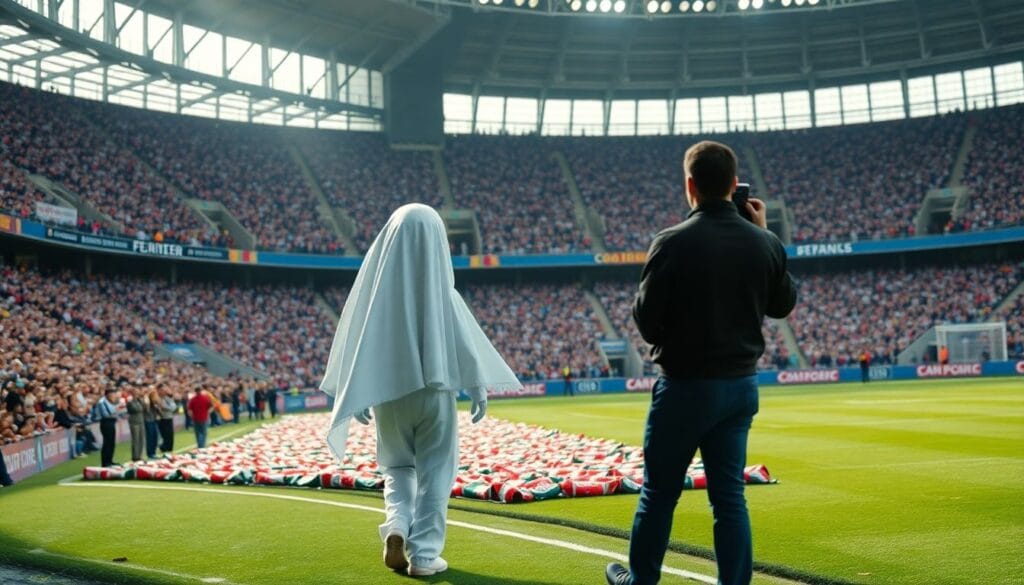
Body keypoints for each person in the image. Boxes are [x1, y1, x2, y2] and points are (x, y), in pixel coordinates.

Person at [605, 141, 797, 585]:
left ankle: (641, 581)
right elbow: (783, 303)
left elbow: (648, 326)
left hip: (685, 388)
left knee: (659, 494)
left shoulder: (670, 242)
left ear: (690, 186)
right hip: (739, 389)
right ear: (734, 185)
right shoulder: (763, 241)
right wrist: (766, 232)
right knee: (730, 499)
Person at [320, 204, 520, 577]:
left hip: (389, 395)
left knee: (397, 467)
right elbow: (465, 342)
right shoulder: (443, 295)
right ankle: (424, 555)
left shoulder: (375, 298)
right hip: (435, 392)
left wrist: (357, 392)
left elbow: (356, 340)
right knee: (436, 471)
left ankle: (396, 523)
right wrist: (478, 388)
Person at [95, 388, 125, 468]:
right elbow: (107, 413)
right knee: (107, 443)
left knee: (111, 443)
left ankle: (110, 461)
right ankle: (105, 463)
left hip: (111, 422)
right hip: (106, 423)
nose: (115, 396)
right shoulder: (102, 402)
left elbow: (115, 412)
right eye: (113, 394)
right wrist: (118, 407)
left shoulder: (109, 401)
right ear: (108, 394)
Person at [126, 389, 145, 462]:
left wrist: (141, 399)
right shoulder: (130, 402)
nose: (138, 394)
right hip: (134, 422)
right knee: (135, 440)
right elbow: (136, 409)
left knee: (141, 439)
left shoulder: (139, 401)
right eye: (136, 393)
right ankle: (135, 456)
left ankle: (140, 455)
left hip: (140, 421)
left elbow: (144, 407)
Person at [157, 388, 177, 453]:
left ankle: (169, 448)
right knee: (164, 434)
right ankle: (163, 447)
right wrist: (168, 407)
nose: (164, 392)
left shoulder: (167, 398)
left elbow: (174, 407)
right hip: (162, 418)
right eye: (163, 390)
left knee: (170, 434)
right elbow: (160, 407)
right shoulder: (158, 398)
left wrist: (167, 408)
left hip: (169, 417)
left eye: (165, 391)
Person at [143, 387, 161, 458]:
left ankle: (153, 452)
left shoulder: (154, 400)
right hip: (148, 420)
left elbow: (159, 408)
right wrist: (147, 396)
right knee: (150, 437)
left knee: (155, 437)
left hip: (154, 420)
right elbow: (146, 409)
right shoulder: (146, 399)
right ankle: (150, 453)